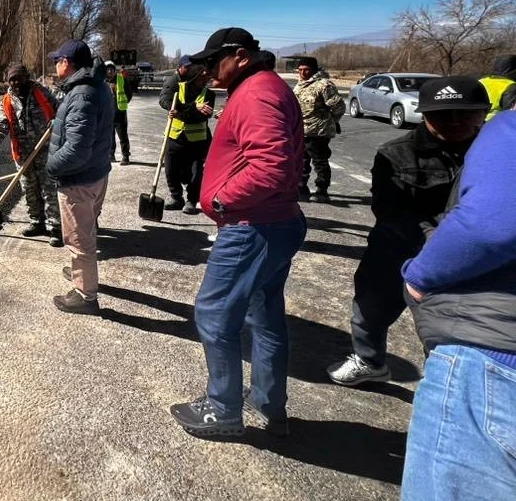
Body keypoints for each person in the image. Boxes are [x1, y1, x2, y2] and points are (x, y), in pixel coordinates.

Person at [169, 28, 306, 437]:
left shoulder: (256, 94)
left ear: (241, 56)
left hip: (253, 226)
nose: (208, 70)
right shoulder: (261, 87)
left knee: (214, 313)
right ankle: (267, 403)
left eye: (214, 62)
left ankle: (223, 409)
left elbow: (271, 167)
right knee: (264, 315)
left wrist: (220, 199)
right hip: (274, 221)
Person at [327, 76, 490, 386]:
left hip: (468, 258)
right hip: (397, 248)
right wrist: (436, 244)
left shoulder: (496, 155)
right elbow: (390, 210)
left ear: (484, 112)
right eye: (443, 115)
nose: (455, 121)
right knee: (369, 309)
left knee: (450, 327)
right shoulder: (395, 153)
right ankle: (369, 360)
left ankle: (441, 381)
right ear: (424, 113)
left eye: (466, 113)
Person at [399, 108, 516, 501]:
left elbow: (488, 225)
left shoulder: (508, 130)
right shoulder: (401, 151)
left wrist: (419, 275)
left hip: (492, 359)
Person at [45, 39, 114, 315]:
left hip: (79, 181)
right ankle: (80, 273)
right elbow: (89, 128)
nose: (55, 65)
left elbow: (75, 150)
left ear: (67, 63)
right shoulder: (97, 86)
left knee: (79, 239)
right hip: (97, 173)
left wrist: (51, 167)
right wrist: (60, 122)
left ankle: (85, 296)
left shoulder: (82, 93)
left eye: (57, 61)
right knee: (86, 231)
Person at [0, 63, 62, 246]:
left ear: (26, 77)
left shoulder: (42, 92)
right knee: (29, 189)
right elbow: (1, 123)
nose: (16, 82)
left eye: (19, 78)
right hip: (23, 153)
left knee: (50, 189)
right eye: (12, 79)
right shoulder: (7, 100)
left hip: (46, 150)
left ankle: (56, 228)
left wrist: (56, 121)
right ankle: (37, 223)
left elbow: (61, 110)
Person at [158, 56, 215, 214]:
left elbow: (201, 116)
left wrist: (182, 112)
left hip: (198, 141)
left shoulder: (209, 94)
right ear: (195, 76)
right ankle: (176, 198)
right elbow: (168, 102)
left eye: (207, 77)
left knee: (196, 173)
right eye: (203, 77)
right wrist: (191, 108)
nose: (206, 80)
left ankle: (192, 200)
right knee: (171, 169)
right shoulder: (178, 87)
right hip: (175, 136)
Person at [293, 57, 345, 203]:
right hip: (302, 130)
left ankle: (322, 190)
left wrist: (331, 121)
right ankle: (301, 187)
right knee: (301, 160)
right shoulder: (300, 85)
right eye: (300, 70)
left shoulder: (324, 85)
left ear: (314, 70)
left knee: (319, 161)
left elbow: (339, 106)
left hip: (319, 131)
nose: (303, 73)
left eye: (306, 70)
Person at [105, 62, 133, 165]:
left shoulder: (121, 79)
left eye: (111, 69)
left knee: (123, 136)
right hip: (107, 114)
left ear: (114, 70)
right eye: (107, 69)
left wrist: (123, 103)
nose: (109, 71)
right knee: (109, 136)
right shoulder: (103, 81)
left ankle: (125, 156)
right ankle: (111, 155)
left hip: (119, 113)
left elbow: (129, 93)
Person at [479, 53, 516, 120]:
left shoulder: (481, 81)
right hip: (496, 123)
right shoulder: (511, 86)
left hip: (475, 122)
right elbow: (510, 113)